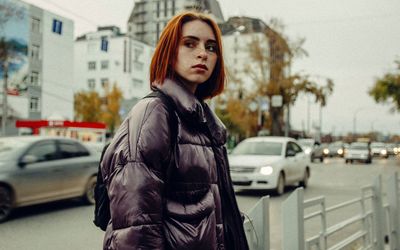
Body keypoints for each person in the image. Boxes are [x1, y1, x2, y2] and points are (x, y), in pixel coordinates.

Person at [100, 11, 249, 250]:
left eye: (211, 48)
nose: (203, 53)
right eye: (190, 43)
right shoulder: (155, 114)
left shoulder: (201, 121)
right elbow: (137, 232)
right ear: (169, 52)